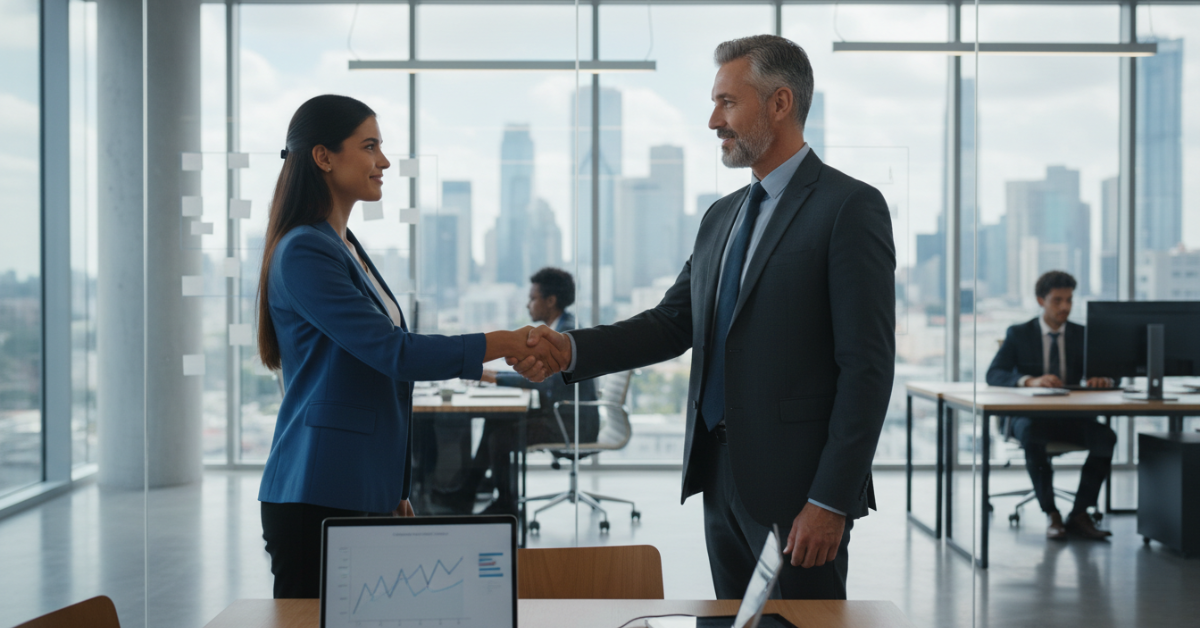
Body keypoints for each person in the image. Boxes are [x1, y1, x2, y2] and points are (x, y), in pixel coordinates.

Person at [517, 35, 896, 600]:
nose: (713, 120)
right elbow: (671, 323)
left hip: (799, 490)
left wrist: (830, 500)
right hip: (718, 475)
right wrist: (568, 350)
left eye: (727, 102)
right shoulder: (722, 217)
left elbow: (866, 368)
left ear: (780, 103)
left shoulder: (848, 207)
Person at [254, 94, 559, 599]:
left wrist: (391, 490)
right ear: (324, 157)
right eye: (369, 146)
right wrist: (503, 342)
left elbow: (375, 374)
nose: (384, 161)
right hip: (317, 486)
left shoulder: (343, 245)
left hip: (356, 483)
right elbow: (393, 352)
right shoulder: (306, 250)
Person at [985, 270, 1117, 540]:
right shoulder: (1019, 333)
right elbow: (994, 374)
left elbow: (1115, 370)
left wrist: (1104, 378)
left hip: (1072, 417)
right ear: (1040, 300)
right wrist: (1029, 381)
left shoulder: (1083, 334)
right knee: (1034, 436)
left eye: (1069, 300)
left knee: (1106, 437)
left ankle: (1079, 513)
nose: (1065, 307)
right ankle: (1052, 513)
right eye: (1057, 300)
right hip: (1030, 419)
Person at [469, 267, 599, 515]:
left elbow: (544, 380)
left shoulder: (564, 334)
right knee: (495, 422)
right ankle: (472, 487)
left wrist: (491, 377)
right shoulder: (561, 327)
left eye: (532, 298)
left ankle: (506, 505)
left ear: (550, 301)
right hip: (562, 414)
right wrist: (493, 376)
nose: (528, 305)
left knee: (500, 438)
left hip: (571, 422)